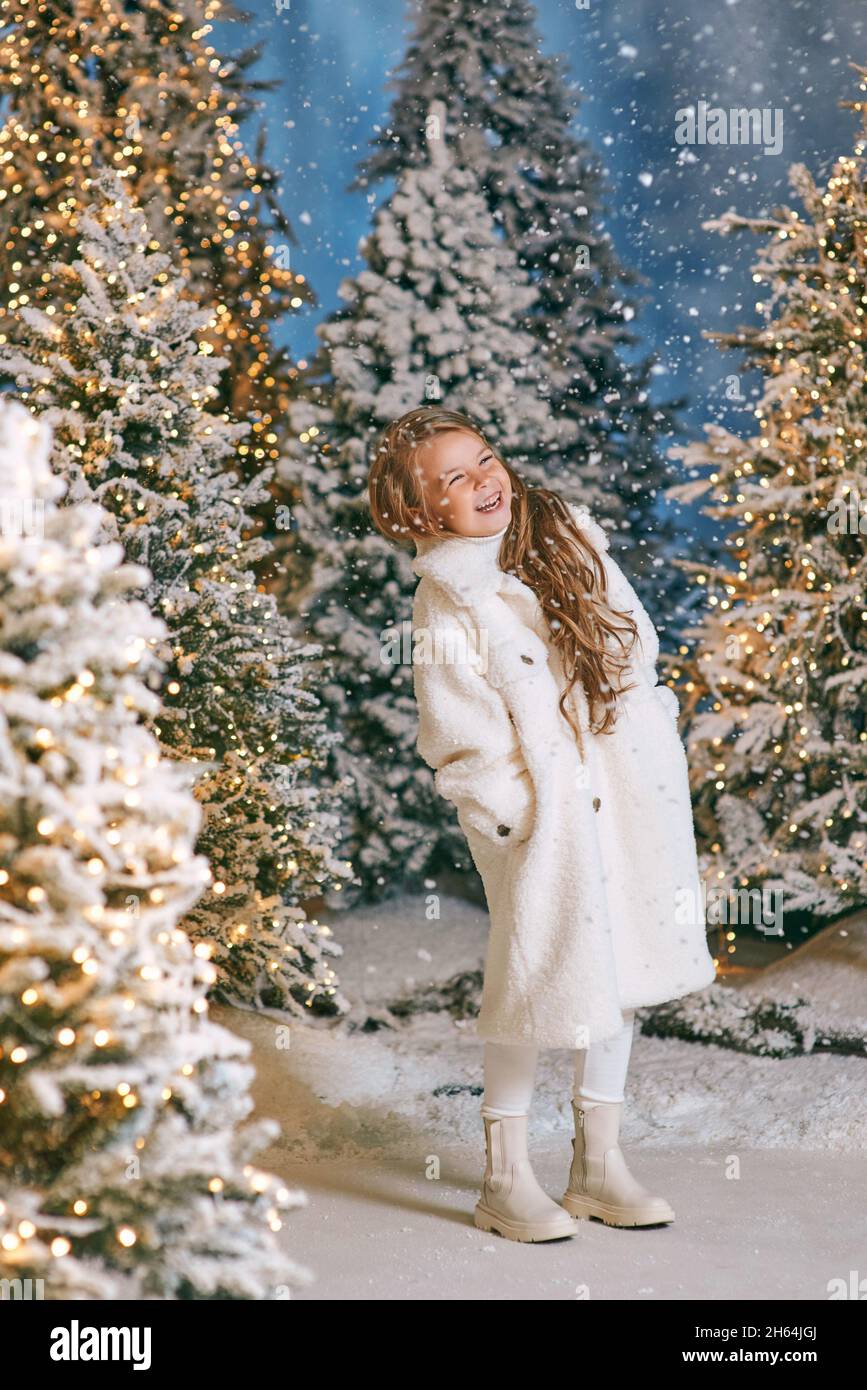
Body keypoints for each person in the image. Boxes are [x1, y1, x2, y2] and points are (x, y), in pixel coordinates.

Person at [367, 405, 717, 1243]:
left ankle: (598, 1164)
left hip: (622, 785)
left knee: (621, 959)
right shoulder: (446, 601)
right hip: (542, 819)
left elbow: (633, 642)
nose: (482, 481)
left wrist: (648, 736)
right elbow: (459, 732)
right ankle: (506, 1177)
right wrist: (516, 815)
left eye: (483, 459)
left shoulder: (567, 537)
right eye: (452, 478)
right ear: (422, 510)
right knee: (531, 977)